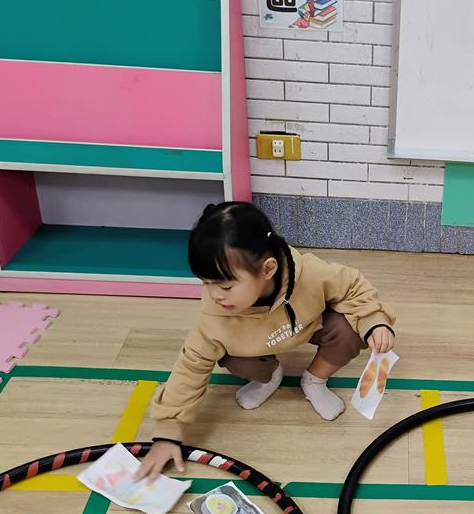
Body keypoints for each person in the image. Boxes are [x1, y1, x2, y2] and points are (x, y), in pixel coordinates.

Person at [135, 201, 395, 479]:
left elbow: (353, 286)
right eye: (206, 283)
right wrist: (168, 431)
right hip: (252, 348)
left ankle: (314, 381)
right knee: (231, 357)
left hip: (308, 326)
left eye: (225, 285)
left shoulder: (309, 273)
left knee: (348, 330)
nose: (215, 295)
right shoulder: (215, 315)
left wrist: (374, 321)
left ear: (268, 269)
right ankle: (270, 376)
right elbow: (191, 367)